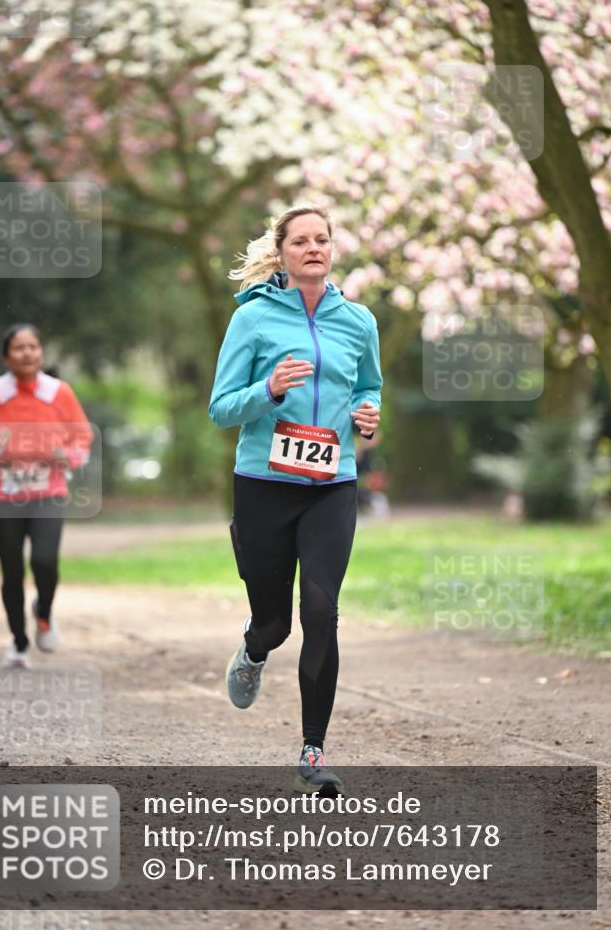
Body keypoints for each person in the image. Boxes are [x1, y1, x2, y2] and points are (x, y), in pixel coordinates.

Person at [209, 204, 382, 793]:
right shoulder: (254, 321)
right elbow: (221, 407)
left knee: (322, 609)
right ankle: (254, 649)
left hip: (332, 485)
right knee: (276, 623)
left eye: (322, 239)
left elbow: (369, 386)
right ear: (280, 253)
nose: (313, 248)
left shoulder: (358, 320)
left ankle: (313, 750)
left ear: (332, 249)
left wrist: (368, 414)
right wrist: (269, 389)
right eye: (301, 241)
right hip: (264, 485)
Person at [0, 324, 93, 668]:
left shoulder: (59, 392)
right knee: (12, 570)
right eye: (19, 348)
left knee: (45, 561)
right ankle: (18, 641)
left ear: (41, 352)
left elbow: (81, 438)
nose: (27, 353)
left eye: (33, 346)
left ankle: (43, 612)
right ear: (6, 356)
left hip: (48, 490)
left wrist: (69, 455)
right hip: (4, 495)